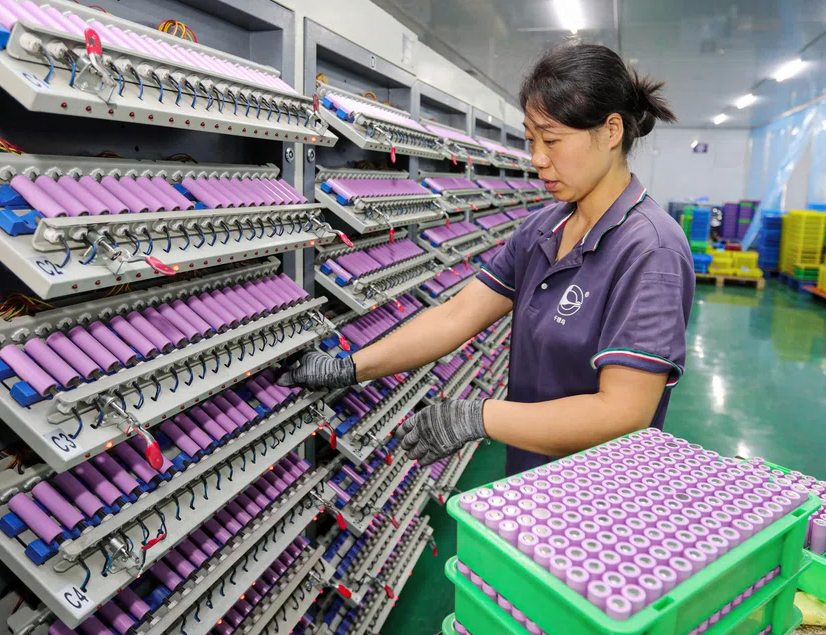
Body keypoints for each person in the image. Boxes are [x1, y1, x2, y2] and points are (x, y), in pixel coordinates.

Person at [279, 42, 695, 475]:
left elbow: (622, 414)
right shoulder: (542, 231)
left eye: (552, 140)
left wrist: (478, 416)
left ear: (611, 131)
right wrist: (349, 367)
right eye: (532, 139)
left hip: (599, 500)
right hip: (532, 478)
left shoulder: (651, 250)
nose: (537, 159)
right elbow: (456, 316)